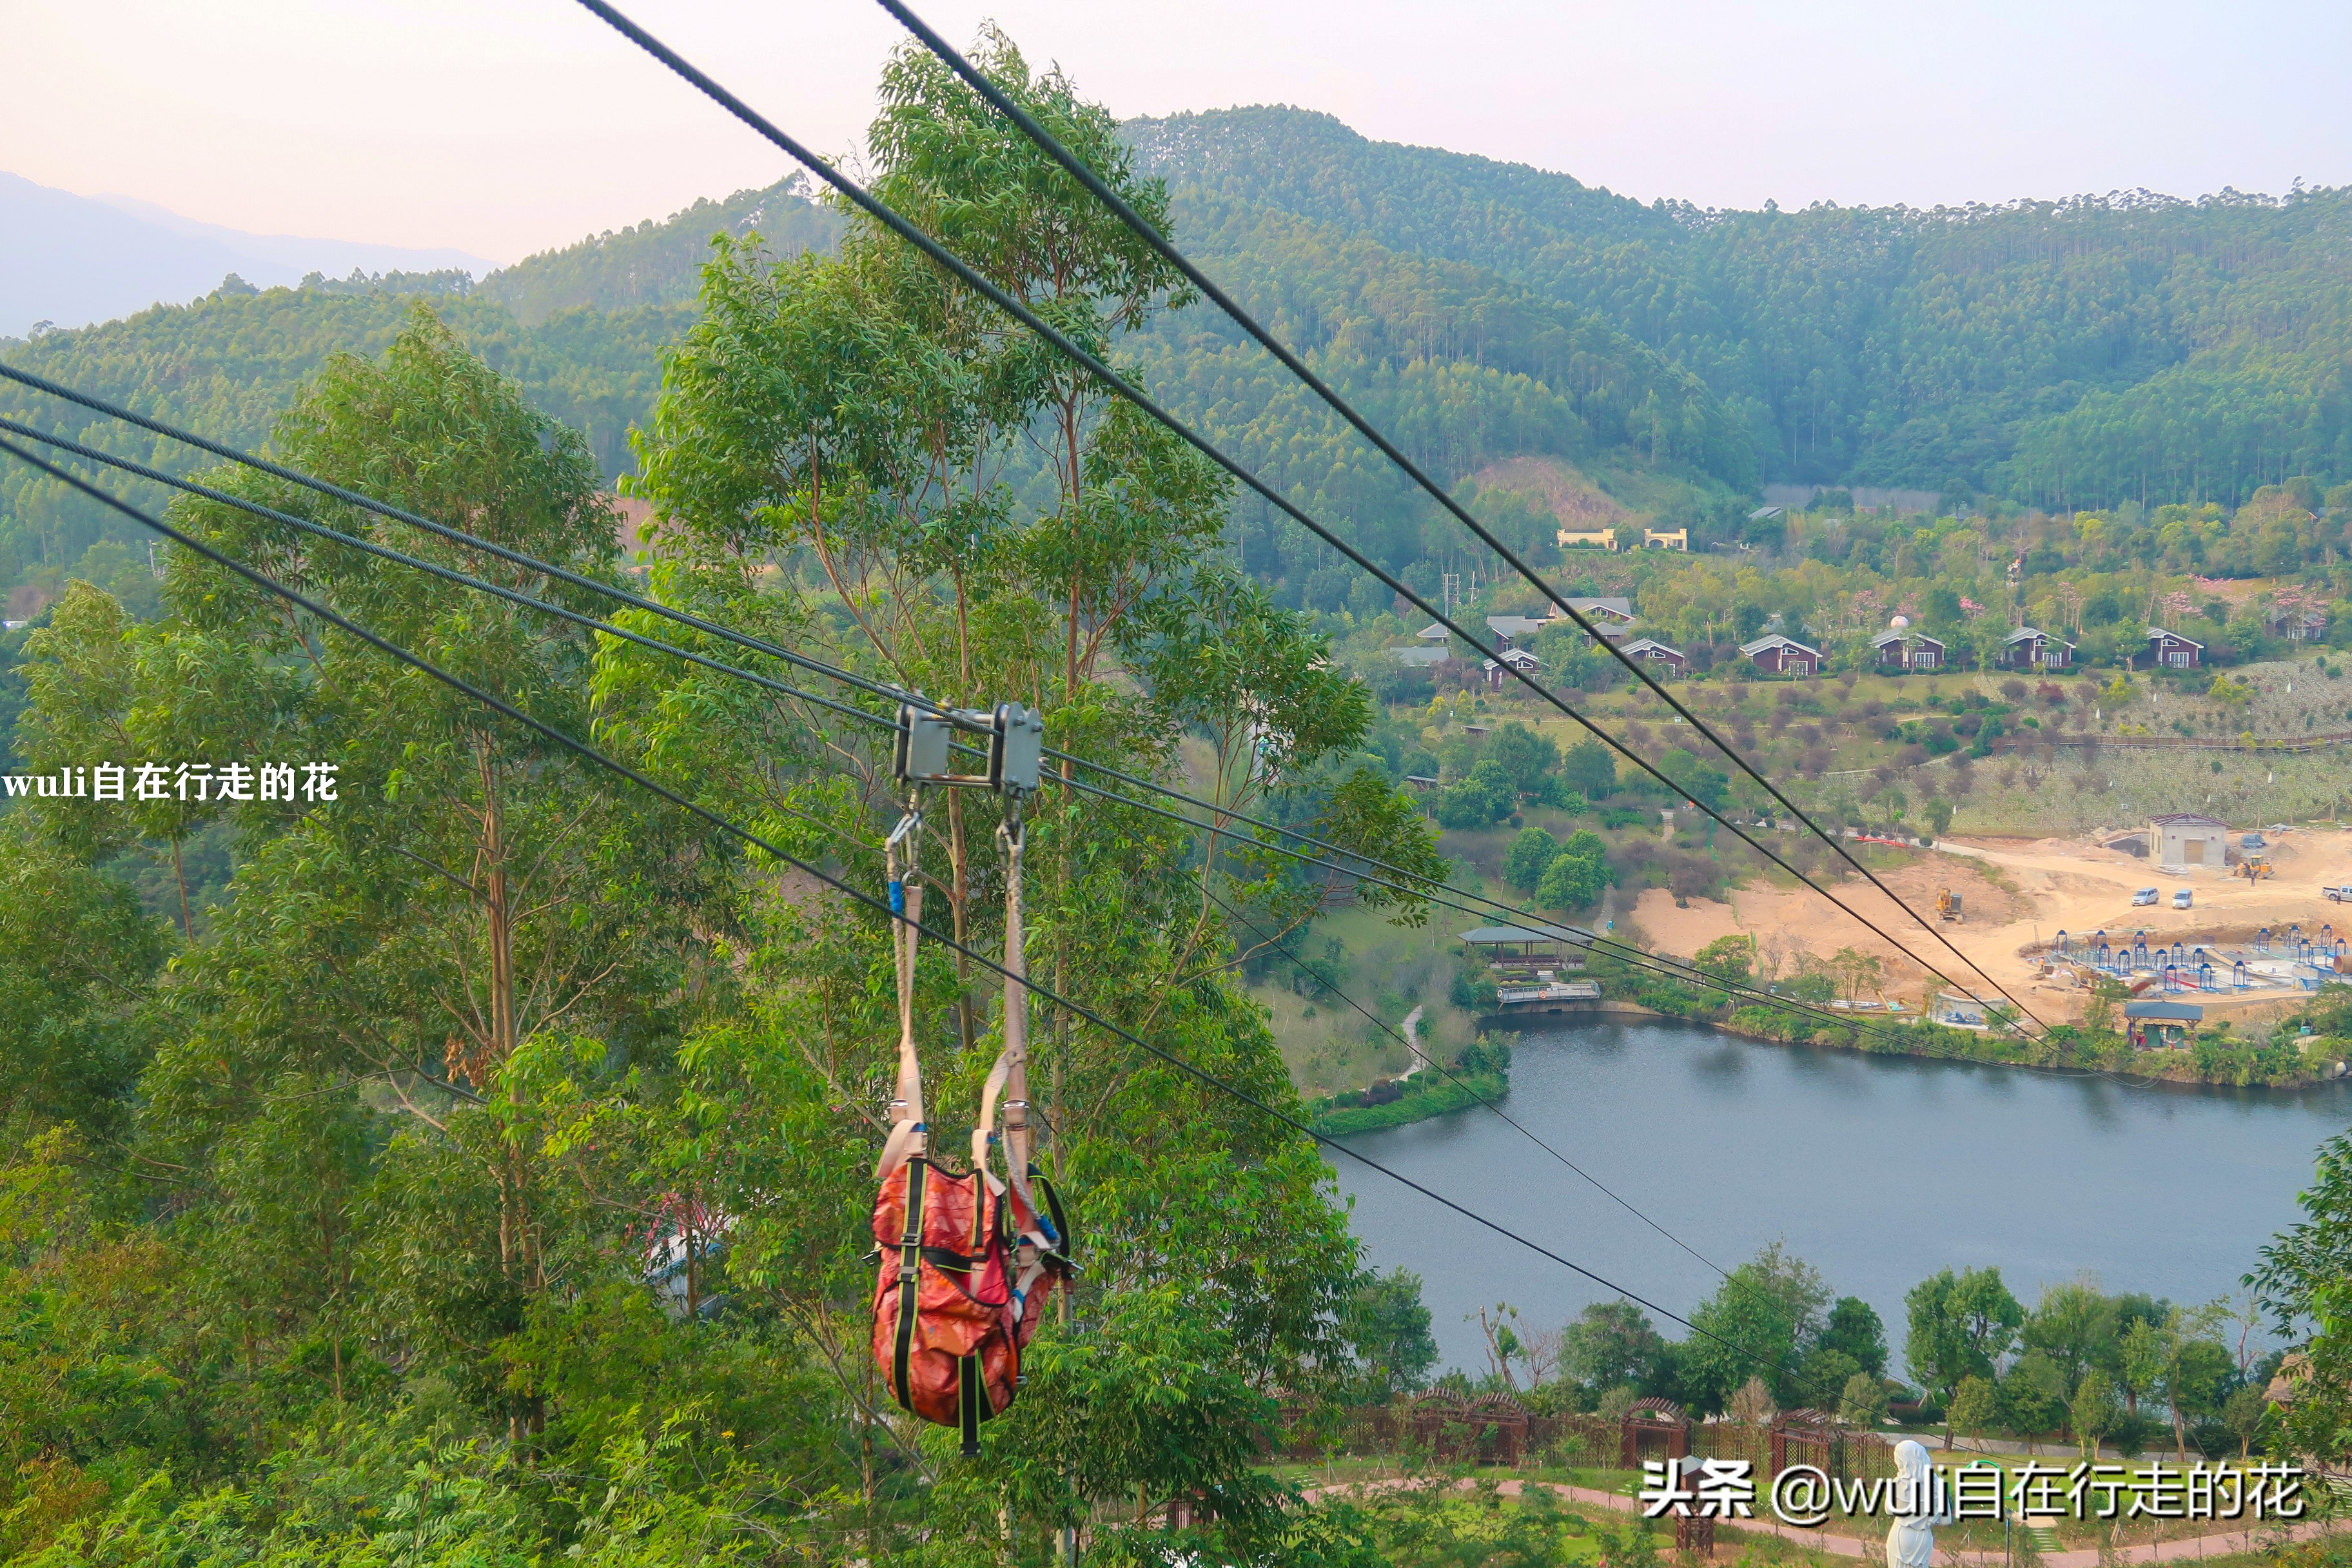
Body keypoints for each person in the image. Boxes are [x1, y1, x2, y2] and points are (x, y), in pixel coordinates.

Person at [1886, 1438, 1952, 1568]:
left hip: (1900, 1535)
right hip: (1923, 1537)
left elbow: (1889, 1510)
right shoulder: (1938, 1484)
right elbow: (1946, 1520)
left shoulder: (1897, 1483)